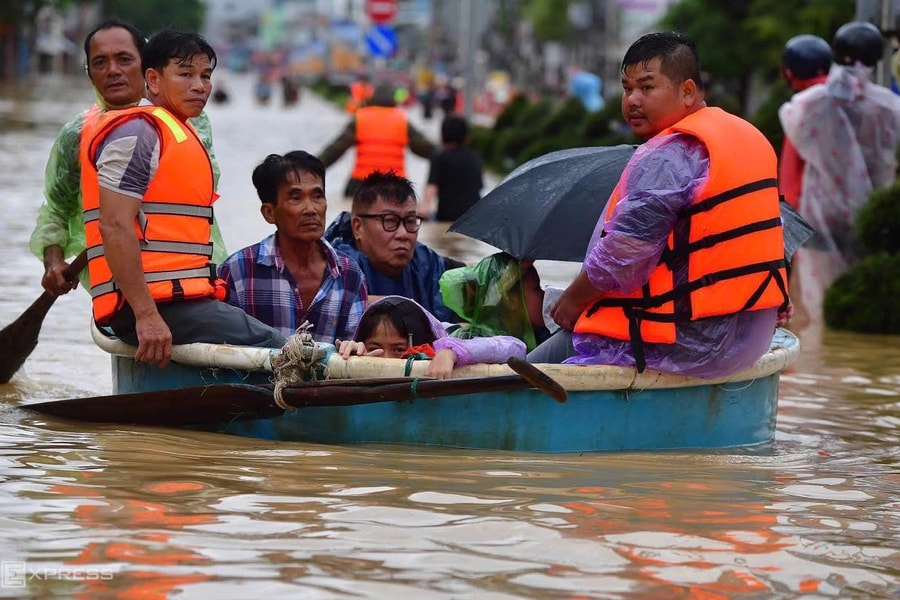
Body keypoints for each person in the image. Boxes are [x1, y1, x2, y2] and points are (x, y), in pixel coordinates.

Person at [527, 31, 789, 378]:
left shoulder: (669, 156)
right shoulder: (750, 137)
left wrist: (572, 303)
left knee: (522, 372)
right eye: (627, 89)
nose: (632, 100)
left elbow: (624, 256)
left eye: (647, 87)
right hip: (749, 336)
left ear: (688, 91)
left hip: (685, 342)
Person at [81, 29, 286, 368]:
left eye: (205, 76)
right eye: (186, 74)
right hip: (149, 306)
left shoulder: (175, 129)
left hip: (177, 300)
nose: (200, 86)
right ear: (153, 79)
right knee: (278, 346)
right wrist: (146, 315)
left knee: (266, 329)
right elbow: (114, 225)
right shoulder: (139, 132)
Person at [29, 19, 227, 297]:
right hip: (120, 286)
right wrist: (53, 261)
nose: (112, 70)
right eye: (99, 62)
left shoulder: (188, 118)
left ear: (148, 68)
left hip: (192, 271)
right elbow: (56, 209)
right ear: (89, 71)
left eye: (124, 59)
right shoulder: (77, 134)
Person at [779, 21, 900, 323]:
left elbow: (790, 182)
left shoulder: (808, 106)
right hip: (871, 219)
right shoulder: (890, 107)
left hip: (820, 219)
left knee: (814, 312)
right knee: (863, 306)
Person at [218, 151, 367, 343]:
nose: (311, 209)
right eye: (296, 198)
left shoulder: (349, 274)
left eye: (317, 196)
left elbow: (357, 346)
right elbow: (222, 348)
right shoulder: (239, 271)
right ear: (269, 213)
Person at [324, 170, 464, 324]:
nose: (403, 234)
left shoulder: (430, 265)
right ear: (358, 227)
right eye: (390, 221)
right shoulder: (331, 273)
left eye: (410, 221)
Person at [336, 296, 526, 379]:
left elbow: (517, 347)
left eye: (398, 349)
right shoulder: (357, 352)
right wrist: (348, 357)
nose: (386, 359)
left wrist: (451, 353)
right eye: (374, 348)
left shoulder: (440, 350)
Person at [319, 83, 436, 198]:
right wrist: (445, 155)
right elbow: (425, 148)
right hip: (395, 184)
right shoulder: (402, 120)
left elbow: (336, 149)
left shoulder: (360, 117)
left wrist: (312, 166)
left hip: (361, 182)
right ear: (393, 99)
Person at [438, 252, 560, 351]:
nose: (544, 295)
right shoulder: (477, 342)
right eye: (537, 288)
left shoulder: (546, 334)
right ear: (510, 300)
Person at [778, 34, 832, 211]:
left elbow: (792, 175)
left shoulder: (800, 110)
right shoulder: (850, 98)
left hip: (813, 211)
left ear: (789, 73)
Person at [420, 115, 483, 222]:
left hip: (447, 216)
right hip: (472, 216)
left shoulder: (440, 157)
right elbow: (479, 186)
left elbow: (432, 186)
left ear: (442, 136)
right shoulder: (474, 158)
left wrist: (424, 207)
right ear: (465, 138)